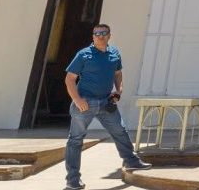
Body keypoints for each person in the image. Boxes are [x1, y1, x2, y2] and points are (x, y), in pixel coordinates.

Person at [63, 23, 152, 190]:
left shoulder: (114, 53)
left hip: (106, 102)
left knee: (120, 131)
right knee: (75, 140)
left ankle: (131, 161)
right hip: (85, 103)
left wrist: (118, 91)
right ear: (93, 36)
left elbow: (118, 74)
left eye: (103, 33)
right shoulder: (83, 55)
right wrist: (77, 100)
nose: (100, 36)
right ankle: (72, 180)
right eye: (96, 33)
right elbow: (69, 79)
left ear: (109, 35)